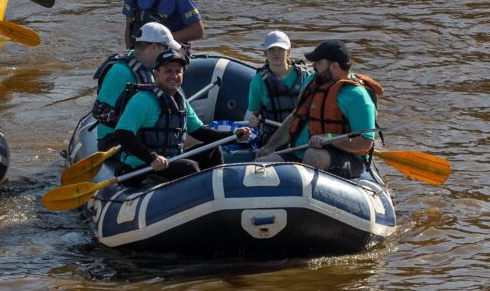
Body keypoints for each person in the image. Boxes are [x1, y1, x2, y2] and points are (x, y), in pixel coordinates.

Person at [111, 49, 250, 183]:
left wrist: (233, 135)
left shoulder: (179, 101)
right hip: (142, 167)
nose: (174, 76)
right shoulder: (143, 101)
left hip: (171, 160)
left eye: (178, 71)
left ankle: (220, 191)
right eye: (168, 71)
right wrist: (151, 157)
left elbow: (201, 132)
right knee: (189, 167)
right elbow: (122, 133)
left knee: (213, 150)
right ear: (156, 73)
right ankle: (199, 200)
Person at [257, 41, 382, 179]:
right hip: (301, 152)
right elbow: (295, 118)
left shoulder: (358, 97)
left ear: (334, 66)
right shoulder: (311, 81)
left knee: (313, 155)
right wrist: (268, 147)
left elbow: (365, 143)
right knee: (259, 166)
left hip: (346, 159)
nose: (313, 66)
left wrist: (329, 138)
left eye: (318, 63)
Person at [91, 23, 183, 148]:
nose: (170, 53)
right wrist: (140, 122)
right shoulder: (121, 72)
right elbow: (100, 112)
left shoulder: (153, 68)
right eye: (167, 48)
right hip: (115, 140)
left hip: (147, 134)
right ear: (154, 47)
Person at [246, 31, 310, 146]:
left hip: (302, 133)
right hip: (274, 135)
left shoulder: (305, 76)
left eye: (280, 49)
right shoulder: (258, 82)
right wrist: (253, 120)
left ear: (288, 51)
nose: (276, 53)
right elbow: (255, 113)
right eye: (271, 49)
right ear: (265, 53)